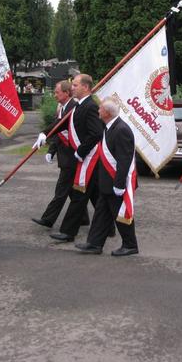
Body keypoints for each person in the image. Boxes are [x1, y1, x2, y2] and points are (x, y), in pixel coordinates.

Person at [75, 97, 138, 256]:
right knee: (101, 215)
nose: (98, 111)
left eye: (100, 109)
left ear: (107, 113)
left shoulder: (121, 129)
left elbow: (124, 160)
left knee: (121, 214)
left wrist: (119, 184)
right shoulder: (109, 127)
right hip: (106, 182)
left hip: (116, 182)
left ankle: (130, 245)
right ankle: (95, 244)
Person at [49, 74, 104, 243]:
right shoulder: (80, 105)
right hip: (86, 158)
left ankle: (68, 232)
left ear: (85, 87)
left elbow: (96, 133)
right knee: (95, 195)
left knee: (80, 194)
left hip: (90, 158)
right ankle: (108, 228)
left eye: (75, 85)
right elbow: (63, 124)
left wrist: (81, 151)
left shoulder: (90, 106)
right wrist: (44, 134)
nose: (72, 87)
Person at [31, 80, 79, 228]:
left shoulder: (73, 107)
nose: (54, 95)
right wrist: (51, 150)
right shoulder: (64, 108)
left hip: (73, 156)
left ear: (66, 93)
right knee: (75, 192)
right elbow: (59, 131)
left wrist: (44, 133)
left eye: (57, 92)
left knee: (61, 190)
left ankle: (48, 219)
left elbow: (60, 128)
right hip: (66, 155)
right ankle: (85, 219)